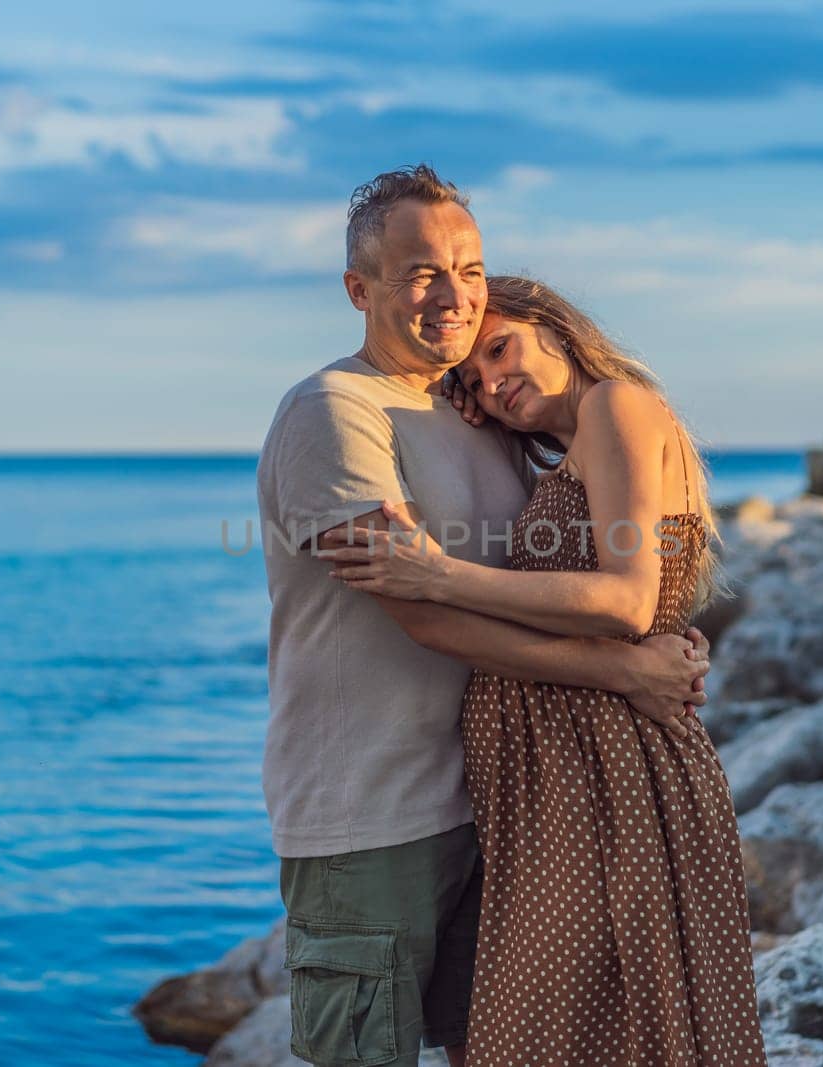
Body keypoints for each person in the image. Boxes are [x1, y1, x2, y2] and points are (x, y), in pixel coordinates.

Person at [256, 165, 713, 1067]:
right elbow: (421, 613)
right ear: (361, 289)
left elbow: (574, 572)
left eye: (469, 268)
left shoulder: (485, 422)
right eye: (423, 271)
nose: (455, 294)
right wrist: (629, 668)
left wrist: (663, 625)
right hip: (371, 816)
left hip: (499, 811)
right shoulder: (333, 412)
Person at [318, 275, 769, 1065]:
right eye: (475, 384)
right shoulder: (563, 452)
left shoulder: (616, 406)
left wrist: (436, 574)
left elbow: (628, 599)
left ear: (556, 327)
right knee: (583, 1030)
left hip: (604, 772)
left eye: (501, 349)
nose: (493, 384)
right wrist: (476, 414)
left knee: (559, 1033)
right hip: (565, 776)